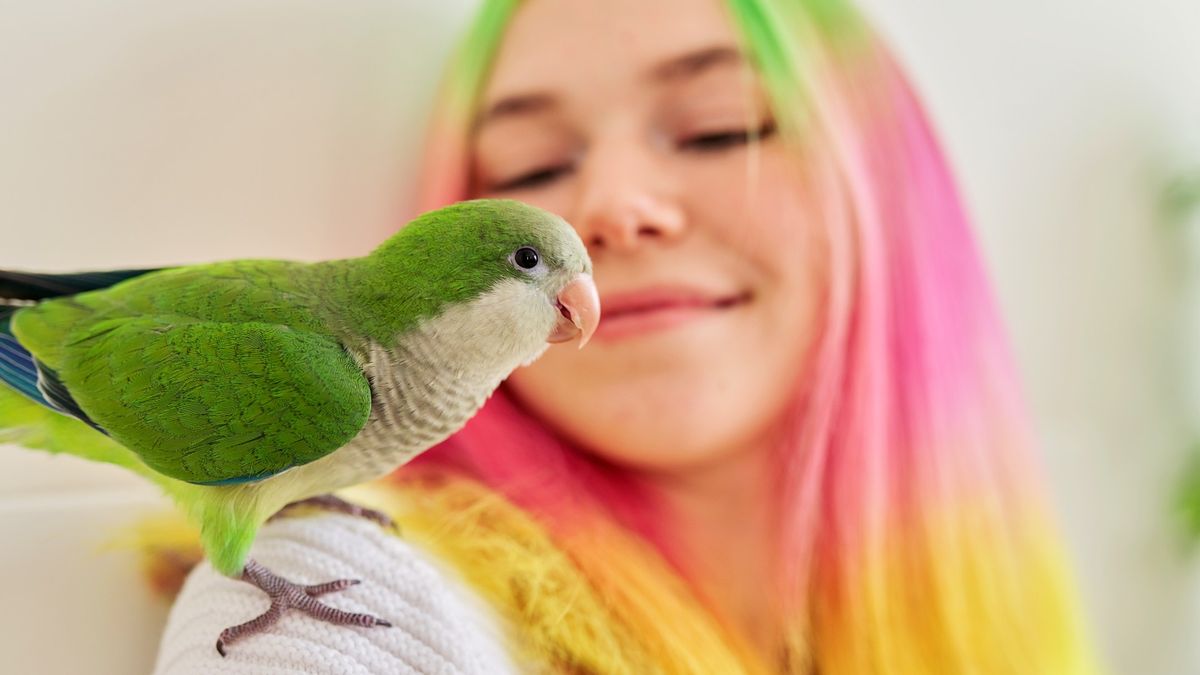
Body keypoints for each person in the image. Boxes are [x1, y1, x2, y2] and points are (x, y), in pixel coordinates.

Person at [153, 0, 1104, 672]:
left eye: (717, 130)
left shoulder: (1009, 602)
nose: (604, 212)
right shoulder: (336, 591)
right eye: (534, 166)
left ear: (887, 195)